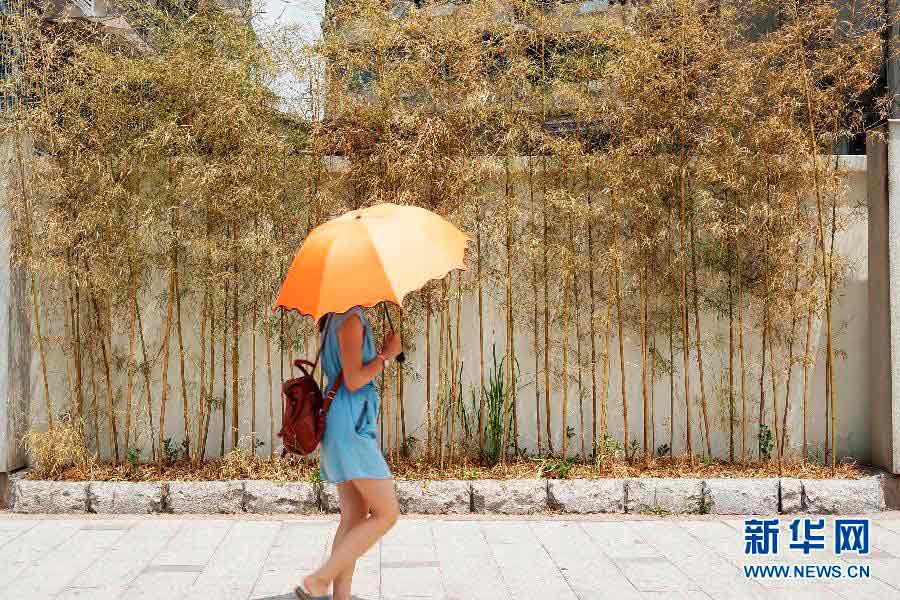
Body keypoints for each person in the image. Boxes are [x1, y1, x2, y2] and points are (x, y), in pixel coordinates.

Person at [296, 306, 402, 600]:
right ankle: (320, 579)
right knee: (387, 513)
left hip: (344, 418)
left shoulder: (335, 316)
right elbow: (355, 379)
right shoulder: (351, 319)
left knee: (354, 515)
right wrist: (385, 356)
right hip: (350, 423)